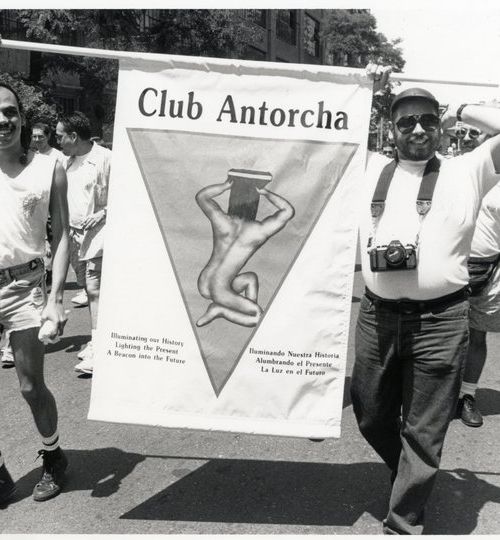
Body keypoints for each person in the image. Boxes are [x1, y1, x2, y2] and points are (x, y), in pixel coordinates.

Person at [350, 67, 500, 534]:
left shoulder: (468, 169)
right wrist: (363, 89)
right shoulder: (368, 166)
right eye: (406, 121)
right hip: (377, 318)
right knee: (371, 414)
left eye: (427, 120)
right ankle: (411, 475)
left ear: (440, 127)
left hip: (442, 319)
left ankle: (404, 520)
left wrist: (460, 110)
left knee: (425, 425)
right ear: (391, 129)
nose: (417, 129)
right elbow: (323, 125)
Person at [0, 82, 70, 503]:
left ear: (21, 117)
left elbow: (62, 235)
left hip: (24, 287)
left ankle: (53, 457)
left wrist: (58, 297)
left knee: (30, 386)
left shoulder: (50, 167)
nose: (1, 120)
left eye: (9, 111)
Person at [195, 177, 294, 327]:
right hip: (220, 290)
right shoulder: (258, 231)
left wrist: (224, 186)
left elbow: (201, 196)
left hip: (204, 282)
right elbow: (288, 211)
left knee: (250, 278)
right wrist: (265, 192)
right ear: (255, 205)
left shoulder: (221, 220)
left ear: (232, 201)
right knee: (257, 317)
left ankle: (240, 307)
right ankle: (219, 310)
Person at [56, 111, 111, 375]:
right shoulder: (65, 162)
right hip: (75, 237)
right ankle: (98, 337)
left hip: (101, 235)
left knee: (95, 288)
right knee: (90, 292)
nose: (57, 141)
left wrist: (103, 213)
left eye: (60, 136)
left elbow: (126, 194)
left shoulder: (106, 159)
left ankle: (100, 348)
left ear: (73, 136)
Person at [459, 184, 500, 427]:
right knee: (438, 337)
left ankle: (467, 395)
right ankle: (433, 398)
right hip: (450, 267)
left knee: (477, 336)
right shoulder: (459, 174)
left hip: (490, 269)